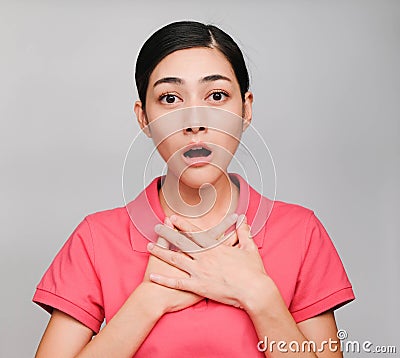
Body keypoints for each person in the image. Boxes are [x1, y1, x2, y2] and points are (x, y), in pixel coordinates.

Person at [33, 21, 355, 357]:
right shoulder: (96, 239)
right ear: (144, 118)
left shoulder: (301, 232)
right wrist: (149, 299)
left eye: (216, 96)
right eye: (170, 98)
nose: (194, 121)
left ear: (246, 109)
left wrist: (260, 296)